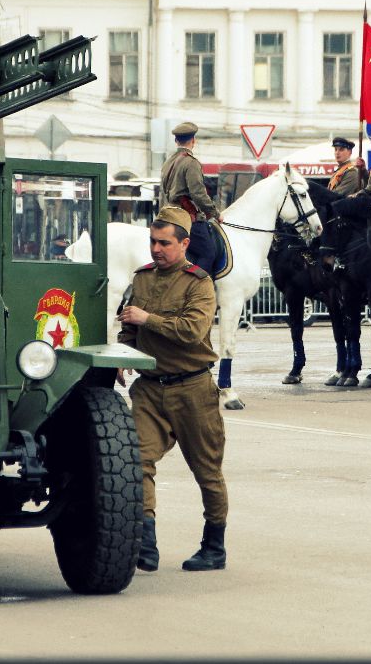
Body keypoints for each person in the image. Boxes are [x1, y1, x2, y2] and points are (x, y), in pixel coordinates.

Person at [118, 205, 228, 573]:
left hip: (192, 388)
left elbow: (191, 332)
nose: (156, 249)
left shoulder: (200, 283)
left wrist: (148, 318)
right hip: (149, 388)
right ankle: (145, 544)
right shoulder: (143, 278)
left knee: (207, 471)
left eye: (165, 243)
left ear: (184, 244)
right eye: (152, 241)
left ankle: (214, 546)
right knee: (136, 460)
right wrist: (122, 353)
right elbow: (129, 327)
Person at [160, 121, 219, 272]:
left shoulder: (168, 162)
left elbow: (163, 191)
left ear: (176, 141)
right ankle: (196, 290)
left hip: (168, 216)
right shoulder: (191, 163)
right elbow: (198, 194)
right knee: (208, 253)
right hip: (186, 219)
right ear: (193, 141)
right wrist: (214, 213)